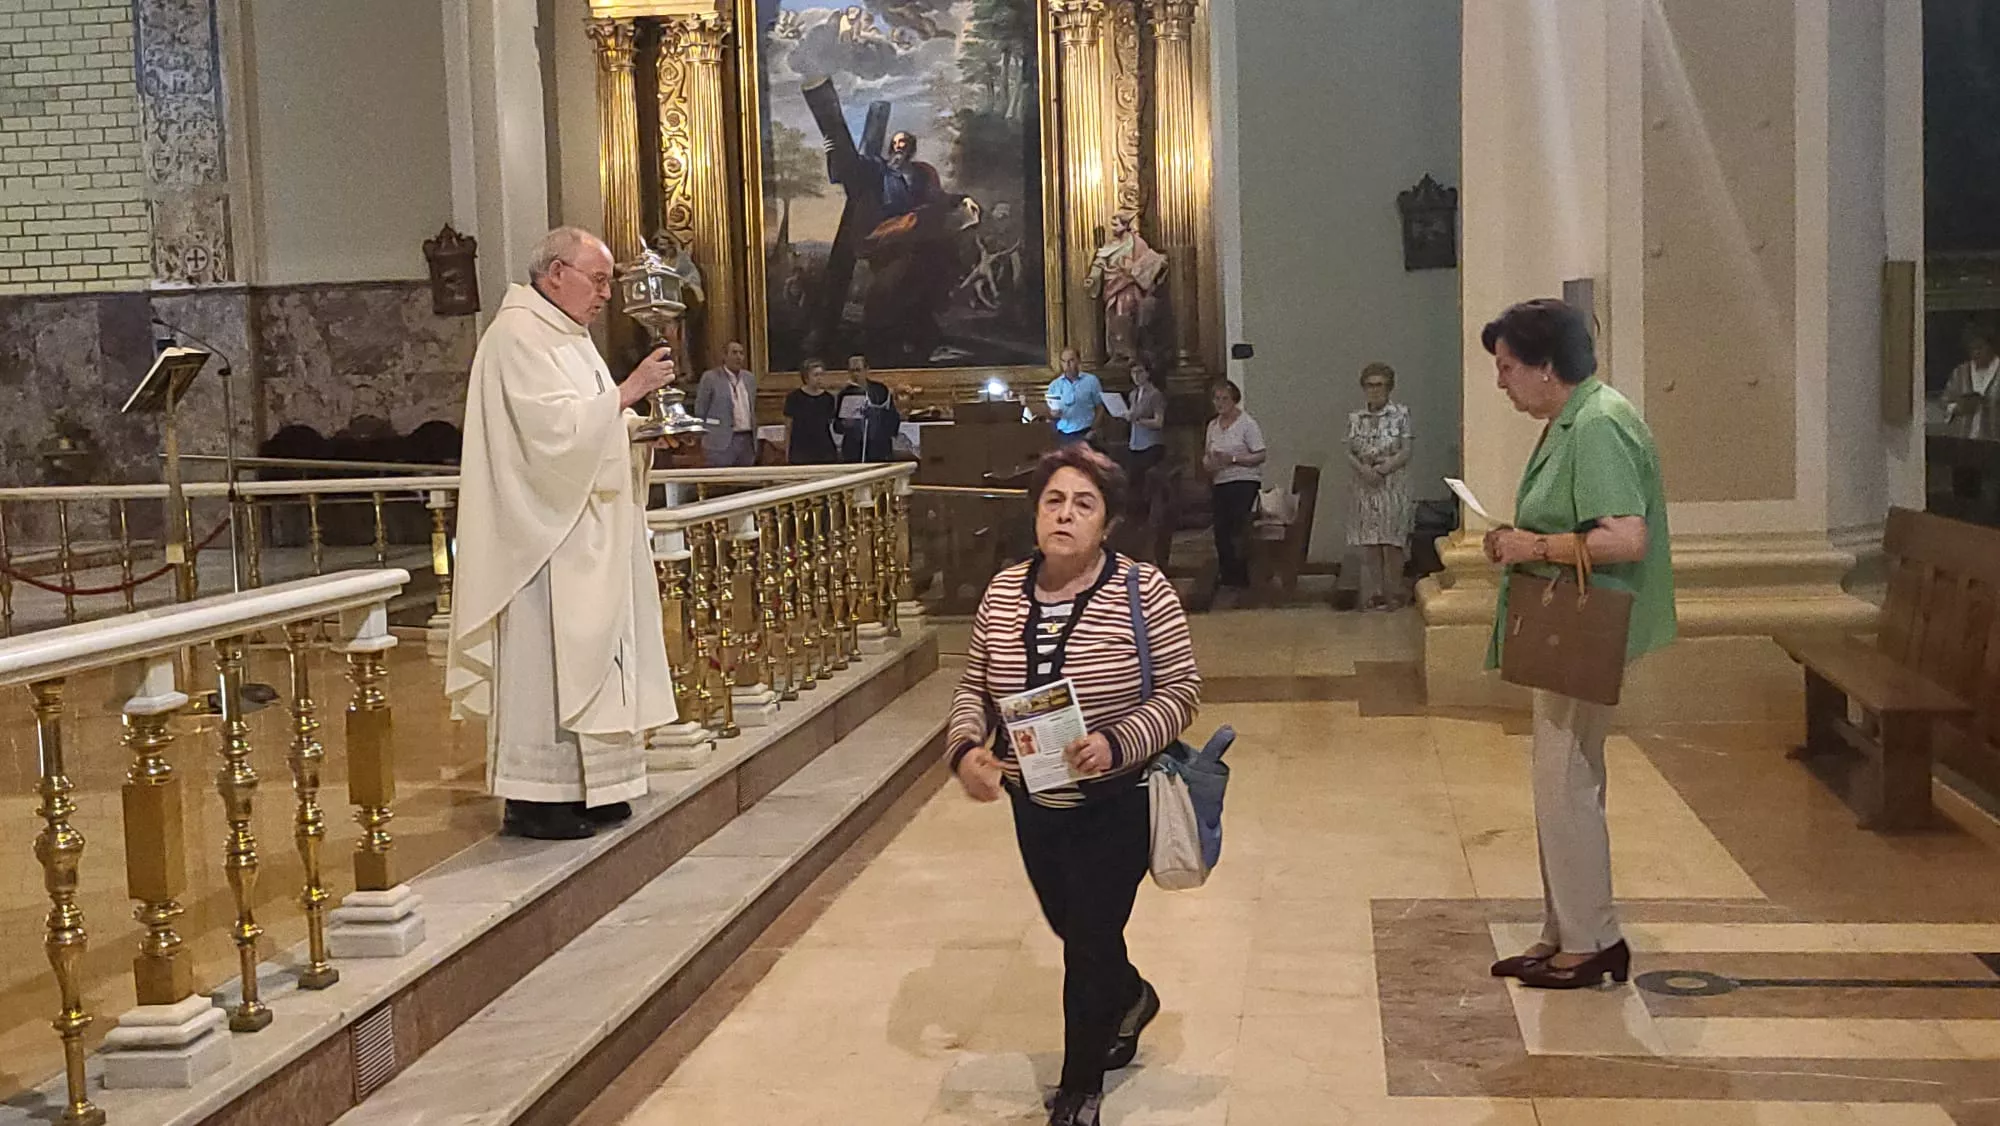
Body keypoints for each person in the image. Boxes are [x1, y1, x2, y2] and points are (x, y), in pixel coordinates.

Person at [949, 444, 1202, 1126]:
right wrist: (967, 750)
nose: (1065, 515)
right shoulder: (1004, 591)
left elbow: (1182, 690)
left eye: (1083, 504)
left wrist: (1118, 741)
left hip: (1116, 800)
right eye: (1053, 501)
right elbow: (974, 687)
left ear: (1108, 523)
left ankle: (1079, 1090)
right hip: (1036, 803)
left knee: (1089, 938)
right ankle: (1132, 996)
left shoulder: (1141, 589)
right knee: (1074, 929)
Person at [445, 226, 680, 841]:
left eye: (608, 281)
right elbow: (547, 437)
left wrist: (636, 429)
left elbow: (591, 424)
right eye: (597, 280)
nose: (606, 294)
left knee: (598, 660)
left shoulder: (570, 339)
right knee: (547, 664)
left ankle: (596, 788)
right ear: (555, 274)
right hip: (542, 543)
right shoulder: (518, 336)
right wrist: (629, 392)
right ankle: (537, 799)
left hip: (586, 532)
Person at [1478, 298, 1676, 989]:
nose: (1500, 381)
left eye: (1507, 367)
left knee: (1568, 783)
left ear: (1545, 366)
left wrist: (1529, 545)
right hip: (1569, 623)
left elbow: (1625, 535)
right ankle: (1567, 928)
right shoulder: (1575, 417)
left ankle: (1592, 940)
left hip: (1587, 626)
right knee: (1559, 781)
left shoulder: (1597, 423)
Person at [1346, 362, 1416, 610]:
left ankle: (1394, 591)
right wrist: (1364, 470)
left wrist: (1382, 470)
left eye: (1379, 385)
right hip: (1364, 485)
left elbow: (1406, 450)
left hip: (1391, 484)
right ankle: (1375, 592)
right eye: (1369, 385)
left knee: (1391, 542)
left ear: (1389, 388)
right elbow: (1349, 450)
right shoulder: (1356, 418)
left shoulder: (1401, 414)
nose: (1374, 391)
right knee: (1370, 542)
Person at [1202, 380, 1266, 591]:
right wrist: (1209, 463)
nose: (1220, 403)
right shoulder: (1212, 426)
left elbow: (1260, 454)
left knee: (1238, 527)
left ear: (1234, 400)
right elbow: (1206, 455)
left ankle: (1243, 576)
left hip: (1244, 481)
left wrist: (1234, 459)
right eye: (1216, 399)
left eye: (1225, 399)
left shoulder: (1247, 424)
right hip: (1221, 480)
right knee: (1221, 529)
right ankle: (1228, 575)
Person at [1085, 212, 1168, 367]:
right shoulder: (1110, 246)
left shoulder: (1137, 243)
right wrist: (1092, 277)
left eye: (1116, 224)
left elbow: (1148, 261)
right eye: (1112, 224)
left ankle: (1130, 352)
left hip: (1128, 286)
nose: (1113, 227)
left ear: (1125, 225)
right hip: (1112, 286)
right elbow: (1099, 262)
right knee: (1113, 318)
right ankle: (1117, 353)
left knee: (1125, 316)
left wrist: (1156, 263)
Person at [695, 340, 757, 468]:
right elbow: (700, 409)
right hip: (719, 439)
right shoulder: (710, 378)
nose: (738, 357)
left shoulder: (749, 378)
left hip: (746, 439)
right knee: (720, 482)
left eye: (741, 353)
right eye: (734, 353)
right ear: (724, 356)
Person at [836, 354, 900, 462]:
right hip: (854, 449)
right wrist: (844, 424)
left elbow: (892, 416)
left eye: (858, 370)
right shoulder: (845, 393)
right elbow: (837, 425)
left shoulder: (880, 390)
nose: (855, 374)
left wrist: (886, 435)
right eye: (852, 371)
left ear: (866, 370)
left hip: (878, 447)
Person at [1943, 321, 2000, 439]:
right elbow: (1945, 403)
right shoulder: (1960, 372)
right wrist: (1957, 408)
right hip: (1965, 442)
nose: (1976, 353)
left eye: (1980, 348)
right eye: (1972, 349)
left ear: (1992, 347)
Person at [783, 357, 841, 465]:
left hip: (824, 450)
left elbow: (831, 426)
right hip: (801, 450)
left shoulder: (828, 398)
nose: (819, 378)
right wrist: (787, 452)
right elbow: (788, 427)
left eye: (821, 375)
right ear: (806, 377)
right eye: (815, 375)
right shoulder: (794, 398)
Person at [1045, 348, 1104, 446]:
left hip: (1086, 432)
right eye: (1064, 361)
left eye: (1071, 361)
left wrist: (1094, 429)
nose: (1067, 365)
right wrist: (1053, 414)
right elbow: (1049, 412)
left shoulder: (1091, 381)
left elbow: (1100, 407)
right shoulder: (1054, 385)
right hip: (1063, 434)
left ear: (1078, 361)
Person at [1124, 360, 1167, 493]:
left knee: (1147, 483)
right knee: (1133, 483)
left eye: (1140, 372)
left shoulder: (1155, 394)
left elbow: (1159, 422)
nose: (1136, 376)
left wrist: (1139, 420)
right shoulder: (1133, 394)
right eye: (1133, 372)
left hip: (1151, 445)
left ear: (1147, 374)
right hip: (1135, 443)